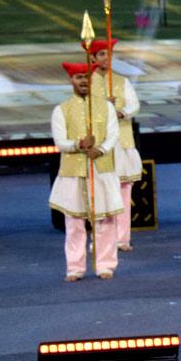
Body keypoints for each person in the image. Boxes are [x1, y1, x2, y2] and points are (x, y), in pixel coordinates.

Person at [49, 62, 122, 281]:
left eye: (86, 77)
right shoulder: (61, 110)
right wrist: (79, 144)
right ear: (71, 80)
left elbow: (113, 134)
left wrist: (99, 149)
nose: (83, 81)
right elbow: (60, 142)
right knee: (74, 222)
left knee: (106, 220)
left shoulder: (105, 107)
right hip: (73, 171)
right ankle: (75, 267)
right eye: (78, 77)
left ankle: (105, 265)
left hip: (101, 167)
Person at [89, 39, 143, 252]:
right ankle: (99, 238)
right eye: (101, 54)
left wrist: (119, 111)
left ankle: (122, 238)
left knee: (123, 189)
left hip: (122, 140)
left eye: (108, 54)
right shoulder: (87, 82)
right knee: (100, 190)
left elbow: (134, 104)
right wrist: (105, 108)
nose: (106, 58)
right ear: (92, 57)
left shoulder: (121, 81)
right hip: (100, 143)